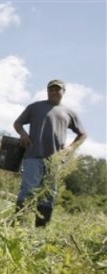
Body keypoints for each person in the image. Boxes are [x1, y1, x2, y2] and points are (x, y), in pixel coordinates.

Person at [13, 79, 87, 227]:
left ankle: (41, 232)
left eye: (57, 89)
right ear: (47, 91)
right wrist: (23, 134)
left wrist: (71, 147)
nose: (53, 92)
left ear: (63, 92)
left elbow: (83, 134)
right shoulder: (34, 107)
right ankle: (17, 228)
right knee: (28, 191)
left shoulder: (69, 112)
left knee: (48, 195)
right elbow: (18, 123)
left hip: (55, 161)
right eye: (51, 89)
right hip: (33, 155)